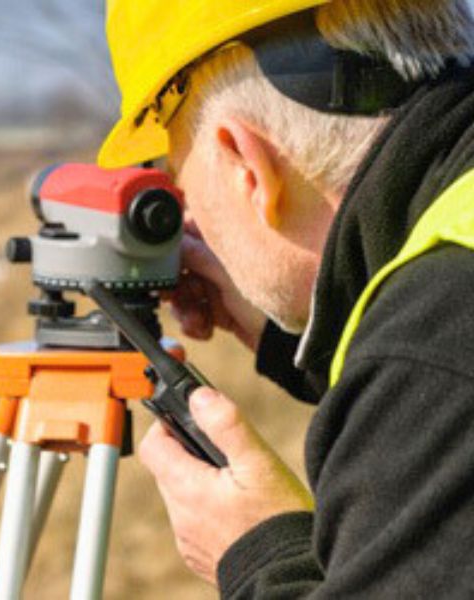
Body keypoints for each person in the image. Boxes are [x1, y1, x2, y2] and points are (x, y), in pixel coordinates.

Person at [98, 0, 474, 596]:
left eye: (180, 180)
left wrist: (261, 553)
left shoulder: (429, 358)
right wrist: (294, 329)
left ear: (246, 162)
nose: (190, 218)